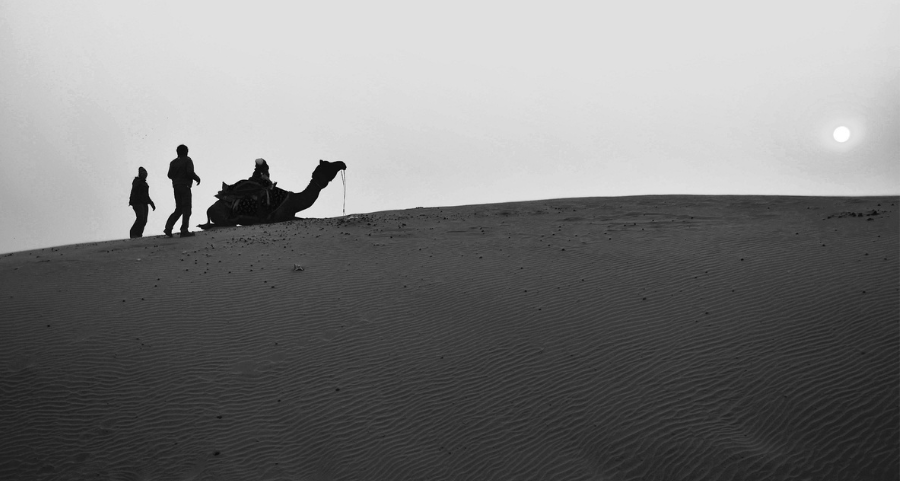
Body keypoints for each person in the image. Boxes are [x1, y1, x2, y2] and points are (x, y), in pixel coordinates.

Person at [164, 144, 201, 238]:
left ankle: (168, 228)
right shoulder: (188, 160)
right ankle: (184, 230)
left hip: (176, 186)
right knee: (186, 209)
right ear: (186, 152)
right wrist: (197, 178)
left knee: (179, 209)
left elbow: (169, 175)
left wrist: (177, 178)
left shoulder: (173, 162)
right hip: (185, 186)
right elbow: (190, 172)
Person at [128, 166, 155, 238]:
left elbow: (146, 195)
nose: (144, 175)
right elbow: (135, 192)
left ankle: (139, 234)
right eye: (143, 174)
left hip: (144, 203)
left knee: (144, 220)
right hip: (137, 202)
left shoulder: (145, 184)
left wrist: (151, 203)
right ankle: (133, 233)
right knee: (140, 217)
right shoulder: (137, 181)